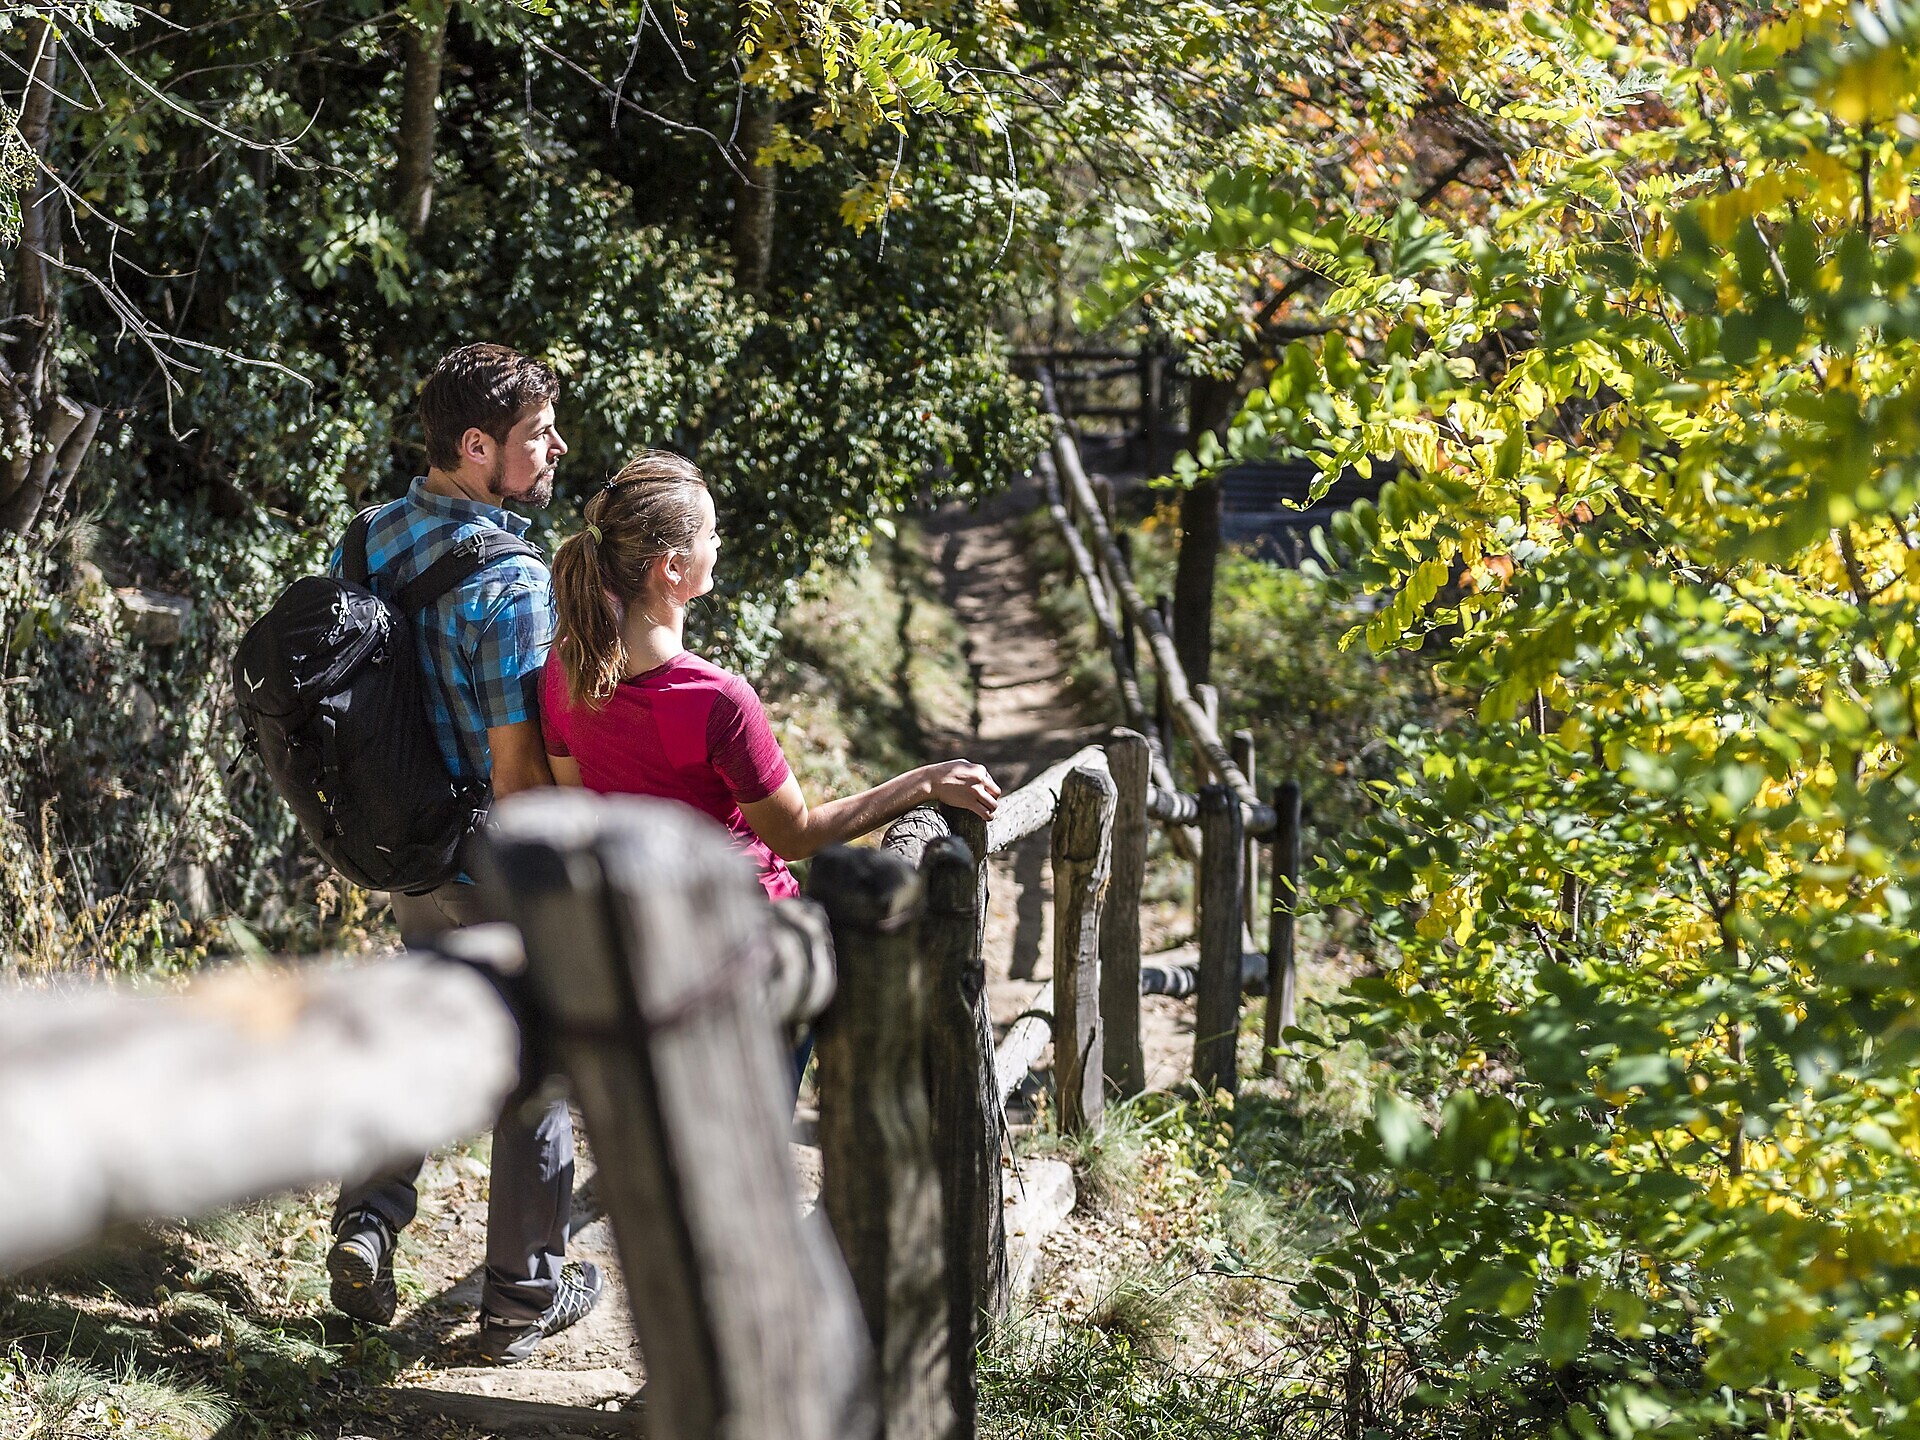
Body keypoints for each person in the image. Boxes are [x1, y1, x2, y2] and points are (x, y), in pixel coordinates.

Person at [324, 342, 603, 1365]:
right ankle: (524, 1294)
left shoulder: (369, 537)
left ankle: (367, 1220)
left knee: (422, 1031)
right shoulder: (514, 580)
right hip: (489, 858)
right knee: (531, 1062)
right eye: (537, 435)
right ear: (478, 446)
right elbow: (520, 772)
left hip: (397, 847)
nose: (555, 448)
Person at [539, 449, 1001, 907]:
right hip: (750, 925)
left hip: (651, 930)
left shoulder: (561, 673)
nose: (719, 544)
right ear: (674, 566)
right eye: (711, 534)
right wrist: (925, 782)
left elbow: (581, 809)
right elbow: (795, 836)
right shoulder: (717, 701)